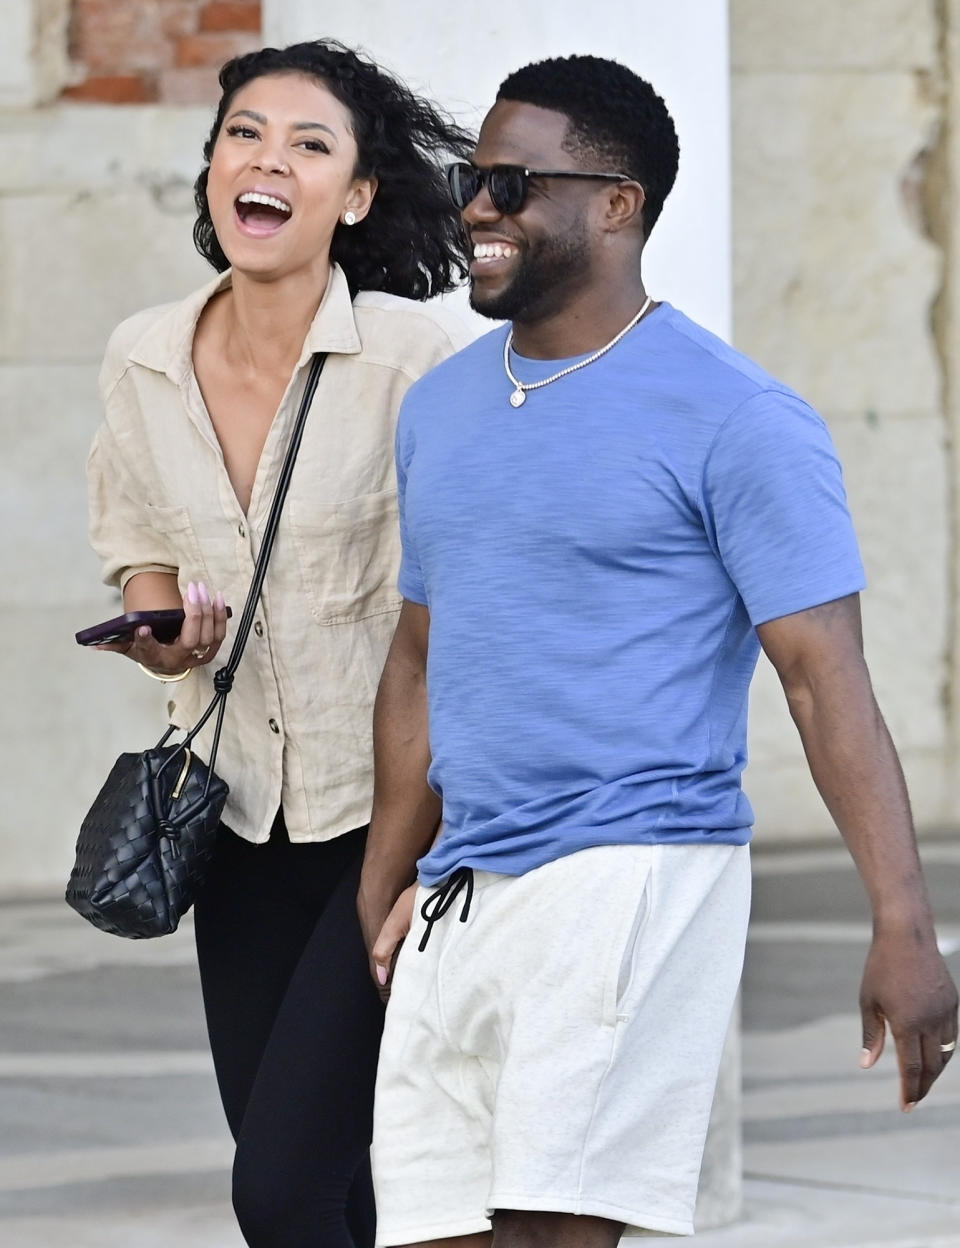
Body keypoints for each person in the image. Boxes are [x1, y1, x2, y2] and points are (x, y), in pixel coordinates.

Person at [358, 53, 960, 1247]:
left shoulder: (739, 418)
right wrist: (388, 871)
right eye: (473, 177)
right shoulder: (441, 408)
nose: (479, 205)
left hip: (632, 869)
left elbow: (821, 676)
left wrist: (904, 922)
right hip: (467, 882)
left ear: (617, 203)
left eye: (513, 181)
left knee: (553, 1233)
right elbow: (422, 658)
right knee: (434, 1231)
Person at [85, 39, 473, 1248]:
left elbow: (471, 600)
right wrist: (160, 632)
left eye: (311, 145)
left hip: (391, 821)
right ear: (213, 169)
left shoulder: (417, 364)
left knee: (284, 1190)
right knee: (316, 1183)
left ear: (356, 197)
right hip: (237, 825)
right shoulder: (143, 355)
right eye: (247, 133)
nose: (269, 161)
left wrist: (446, 852)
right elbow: (139, 544)